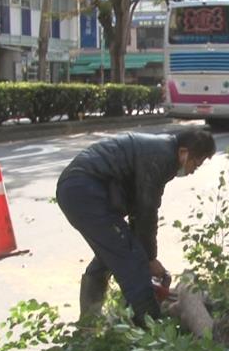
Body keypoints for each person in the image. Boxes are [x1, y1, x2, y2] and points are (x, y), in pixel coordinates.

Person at [57, 129, 216, 325]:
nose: (192, 171)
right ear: (184, 153)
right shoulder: (162, 157)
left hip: (78, 189)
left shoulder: (161, 149)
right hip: (85, 190)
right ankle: (152, 330)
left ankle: (90, 322)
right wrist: (149, 259)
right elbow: (146, 211)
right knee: (133, 261)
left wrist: (148, 255)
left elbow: (138, 212)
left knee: (111, 254)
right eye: (195, 164)